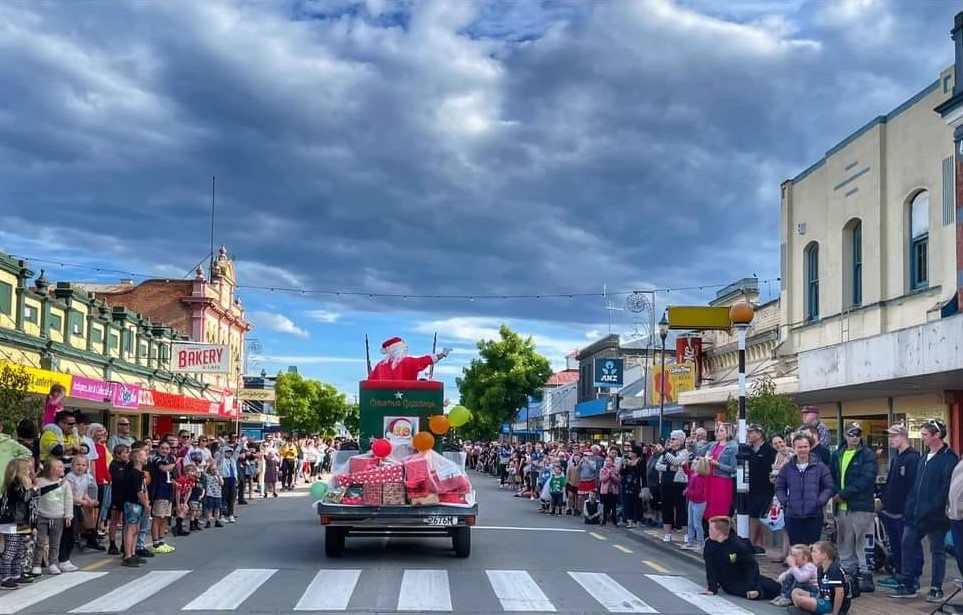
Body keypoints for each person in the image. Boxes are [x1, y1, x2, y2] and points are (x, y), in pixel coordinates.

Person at [890, 418, 958, 602]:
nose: (923, 438)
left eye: (926, 435)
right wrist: (910, 506)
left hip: (936, 516)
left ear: (937, 435)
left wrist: (930, 509)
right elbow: (915, 486)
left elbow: (945, 489)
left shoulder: (948, 458)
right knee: (908, 543)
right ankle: (909, 583)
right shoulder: (924, 457)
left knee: (937, 551)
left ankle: (936, 587)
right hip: (916, 513)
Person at [829, 421, 878, 593]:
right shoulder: (838, 454)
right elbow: (832, 476)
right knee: (844, 541)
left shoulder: (867, 455)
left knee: (863, 542)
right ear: (845, 435)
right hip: (842, 506)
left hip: (860, 506)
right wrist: (835, 493)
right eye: (851, 434)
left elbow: (866, 479)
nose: (855, 437)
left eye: (858, 434)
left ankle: (866, 575)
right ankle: (848, 574)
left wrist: (843, 493)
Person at [876, 424, 919, 590]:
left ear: (903, 436)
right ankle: (899, 573)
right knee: (896, 546)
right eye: (890, 437)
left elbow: (913, 487)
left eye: (894, 436)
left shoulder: (912, 458)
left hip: (904, 512)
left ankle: (911, 577)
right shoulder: (896, 458)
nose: (891, 440)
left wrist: (909, 510)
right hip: (890, 511)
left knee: (908, 546)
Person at [700, 515, 780, 600]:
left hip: (744, 575)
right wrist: (712, 588)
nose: (709, 531)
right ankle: (759, 592)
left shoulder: (737, 545)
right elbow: (710, 566)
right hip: (729, 581)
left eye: (711, 529)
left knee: (775, 588)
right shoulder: (709, 545)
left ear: (719, 532)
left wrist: (752, 586)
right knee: (751, 593)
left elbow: (751, 565)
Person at [775, 432, 834, 546]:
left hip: (814, 514)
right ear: (794, 448)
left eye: (805, 446)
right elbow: (779, 487)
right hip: (793, 514)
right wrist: (786, 501)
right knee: (797, 549)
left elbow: (829, 487)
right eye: (799, 447)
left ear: (810, 447)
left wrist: (819, 501)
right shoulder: (787, 468)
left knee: (812, 548)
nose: (802, 450)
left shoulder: (820, 467)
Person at [790, 541, 852, 615]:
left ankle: (807, 611)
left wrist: (835, 613)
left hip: (832, 604)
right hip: (824, 597)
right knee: (795, 591)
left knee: (800, 600)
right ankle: (808, 611)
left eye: (814, 552)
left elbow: (840, 593)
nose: (811, 554)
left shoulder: (834, 570)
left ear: (824, 556)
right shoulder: (820, 568)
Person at [745, 424, 776, 554]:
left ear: (759, 434)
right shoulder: (748, 450)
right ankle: (753, 542)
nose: (749, 435)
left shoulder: (769, 450)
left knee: (761, 516)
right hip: (751, 488)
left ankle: (758, 543)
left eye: (752, 433)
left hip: (765, 488)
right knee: (752, 515)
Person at [656, 431, 689, 543]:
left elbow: (677, 462)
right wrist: (669, 468)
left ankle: (685, 533)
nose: (671, 441)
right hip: (666, 483)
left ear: (680, 440)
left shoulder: (684, 452)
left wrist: (665, 453)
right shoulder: (668, 452)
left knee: (681, 508)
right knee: (666, 508)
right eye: (671, 439)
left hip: (679, 483)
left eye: (674, 439)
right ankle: (667, 534)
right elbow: (658, 465)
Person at [368, 336, 451, 381]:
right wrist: (442, 354)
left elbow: (369, 382)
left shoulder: (379, 366)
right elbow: (426, 360)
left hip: (383, 403)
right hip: (407, 402)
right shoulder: (408, 362)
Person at [682, 456, 709, 551]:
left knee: (697, 523)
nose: (692, 465)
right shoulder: (694, 475)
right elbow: (688, 472)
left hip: (699, 502)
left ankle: (700, 542)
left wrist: (687, 492)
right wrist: (684, 466)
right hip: (693, 501)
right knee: (690, 523)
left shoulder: (699, 478)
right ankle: (690, 541)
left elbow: (698, 493)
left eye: (694, 464)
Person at [598, 455, 620, 526]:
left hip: (613, 491)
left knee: (613, 506)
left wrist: (612, 476)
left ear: (612, 462)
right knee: (605, 506)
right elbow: (602, 480)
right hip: (605, 491)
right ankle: (604, 520)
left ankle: (614, 521)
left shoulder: (616, 470)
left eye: (609, 461)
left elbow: (618, 480)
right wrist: (608, 474)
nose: (608, 462)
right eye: (606, 461)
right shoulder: (602, 469)